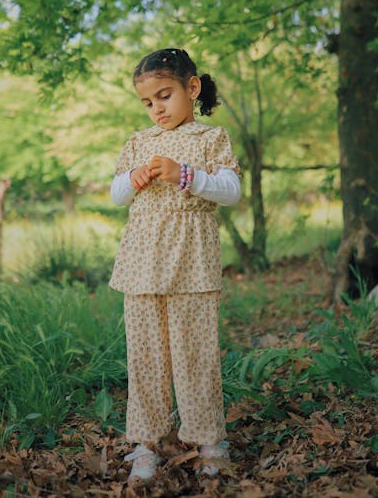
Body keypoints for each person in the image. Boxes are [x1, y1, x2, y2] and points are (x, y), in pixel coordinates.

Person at [109, 48, 241, 481]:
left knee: (195, 354)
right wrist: (133, 180)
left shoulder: (209, 139)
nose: (157, 109)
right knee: (145, 356)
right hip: (143, 264)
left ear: (192, 88)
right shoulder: (138, 142)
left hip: (192, 263)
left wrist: (186, 175)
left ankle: (207, 440)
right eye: (147, 102)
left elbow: (230, 190)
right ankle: (146, 444)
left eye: (164, 96)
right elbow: (116, 194)